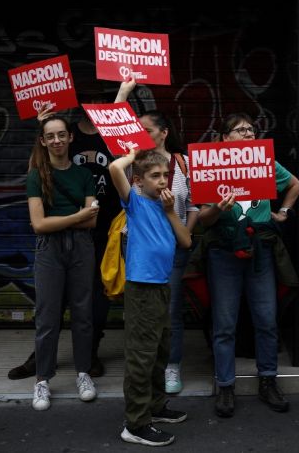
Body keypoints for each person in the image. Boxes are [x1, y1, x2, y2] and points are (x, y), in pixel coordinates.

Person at [9, 85, 121, 380]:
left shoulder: (112, 137)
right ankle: (41, 358)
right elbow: (43, 160)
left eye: (103, 100)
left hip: (102, 229)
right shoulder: (69, 133)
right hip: (67, 229)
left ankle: (90, 355)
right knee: (51, 304)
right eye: (91, 99)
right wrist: (42, 123)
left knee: (94, 303)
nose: (96, 104)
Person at [198, 112, 299, 417]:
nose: (247, 134)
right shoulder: (211, 164)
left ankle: (268, 381)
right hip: (224, 252)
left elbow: (294, 184)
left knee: (266, 319)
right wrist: (217, 208)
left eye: (251, 130)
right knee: (225, 324)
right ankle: (226, 385)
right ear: (223, 138)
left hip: (260, 251)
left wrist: (283, 211)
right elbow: (203, 219)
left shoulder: (264, 162)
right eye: (239, 130)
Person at [115, 79, 199, 394]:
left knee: (171, 310)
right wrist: (124, 93)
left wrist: (184, 235)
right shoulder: (133, 163)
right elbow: (115, 130)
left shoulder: (182, 163)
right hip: (140, 248)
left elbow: (192, 205)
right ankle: (144, 374)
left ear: (163, 133)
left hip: (175, 247)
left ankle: (171, 367)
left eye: (146, 130)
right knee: (143, 313)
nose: (138, 134)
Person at [109, 149, 192, 447]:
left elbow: (186, 241)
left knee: (160, 350)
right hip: (142, 289)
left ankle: (156, 407)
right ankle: (136, 423)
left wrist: (171, 212)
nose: (161, 181)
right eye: (154, 176)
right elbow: (114, 168)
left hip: (160, 287)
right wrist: (132, 153)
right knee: (141, 357)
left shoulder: (164, 207)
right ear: (138, 181)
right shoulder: (136, 203)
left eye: (165, 176)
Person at [26, 115, 100, 411]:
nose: (57, 141)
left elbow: (92, 221)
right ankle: (43, 379)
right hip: (49, 250)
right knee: (47, 316)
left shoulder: (84, 175)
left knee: (83, 313)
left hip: (81, 248)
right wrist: (76, 217)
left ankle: (83, 373)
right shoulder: (36, 175)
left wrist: (72, 220)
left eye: (61, 135)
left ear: (70, 138)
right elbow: (39, 225)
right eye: (50, 136)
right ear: (43, 142)